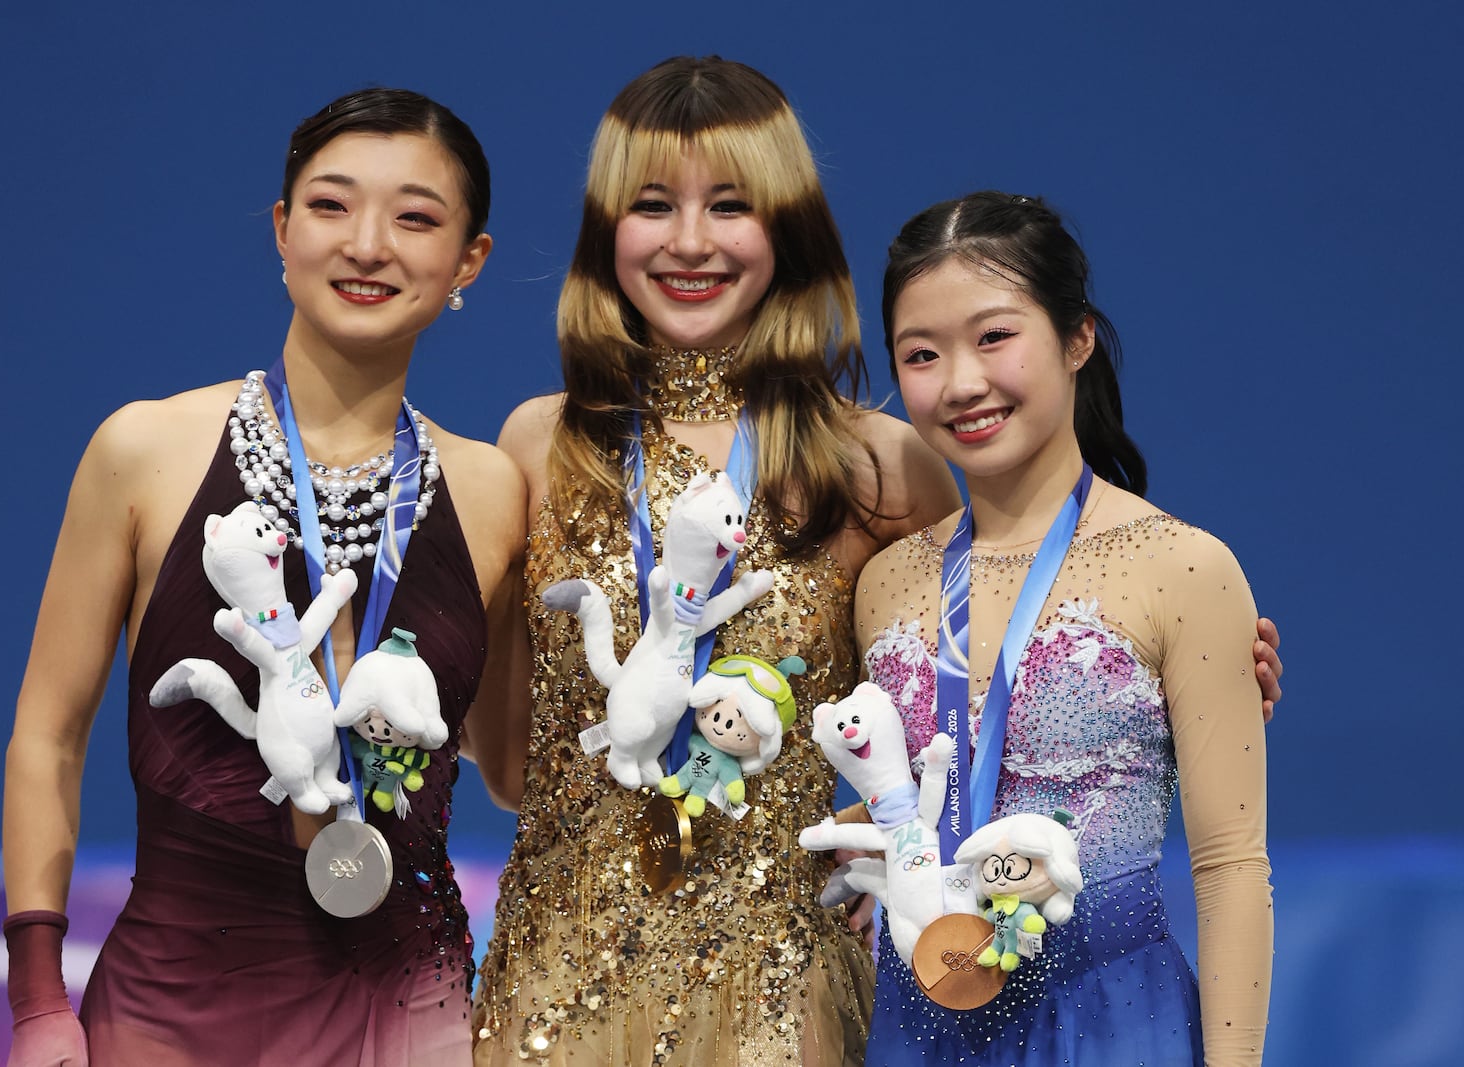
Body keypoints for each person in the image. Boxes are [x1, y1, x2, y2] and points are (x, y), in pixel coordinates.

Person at [470, 59, 1281, 1066]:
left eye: (730, 204)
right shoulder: (538, 447)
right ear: (603, 228)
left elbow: (976, 684)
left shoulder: (879, 465)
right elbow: (512, 765)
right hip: (560, 980)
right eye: (650, 205)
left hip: (796, 995)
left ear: (789, 225)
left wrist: (1188, 687)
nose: (688, 239)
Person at [0, 88, 526, 1066]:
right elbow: (46, 734)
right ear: (282, 232)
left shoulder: (494, 491)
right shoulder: (144, 449)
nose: (367, 244)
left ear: (468, 262)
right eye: (330, 206)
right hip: (172, 1008)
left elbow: (513, 764)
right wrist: (37, 1000)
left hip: (413, 1009)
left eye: (415, 217)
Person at [849, 191, 1272, 1064]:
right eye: (921, 354)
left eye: (995, 337)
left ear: (1077, 337)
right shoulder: (886, 581)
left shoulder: (1182, 567)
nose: (962, 382)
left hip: (1116, 1020)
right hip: (923, 1020)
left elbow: (1230, 866)